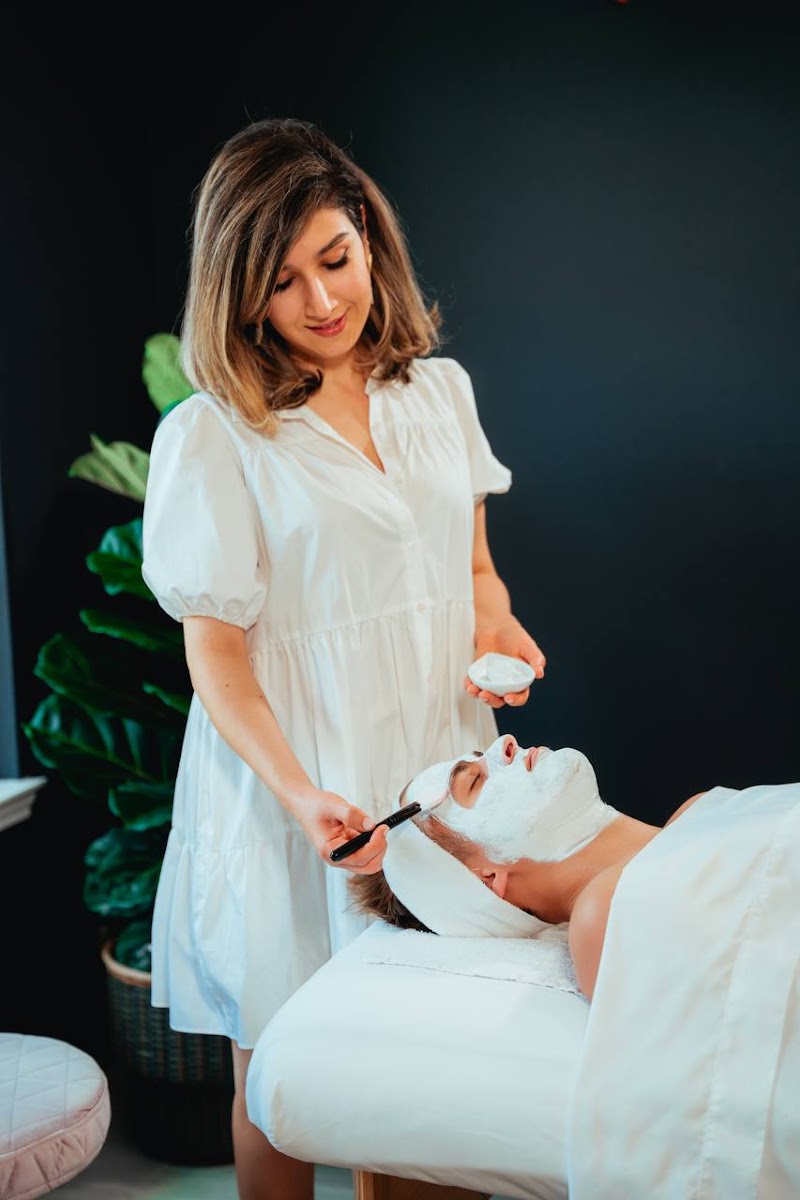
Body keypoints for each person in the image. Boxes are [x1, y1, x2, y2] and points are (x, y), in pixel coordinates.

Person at [140, 116, 546, 1200]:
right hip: (296, 781)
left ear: (367, 231)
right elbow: (216, 656)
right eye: (281, 282)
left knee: (433, 1055)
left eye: (335, 259)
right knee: (281, 1069)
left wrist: (497, 628)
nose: (321, 301)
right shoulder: (216, 434)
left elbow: (474, 571)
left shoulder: (439, 394)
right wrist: (298, 793)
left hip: (431, 766)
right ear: (239, 293)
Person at [348, 731, 710, 1000]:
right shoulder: (603, 917)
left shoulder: (698, 809)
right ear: (489, 879)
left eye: (480, 757)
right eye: (474, 781)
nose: (505, 742)